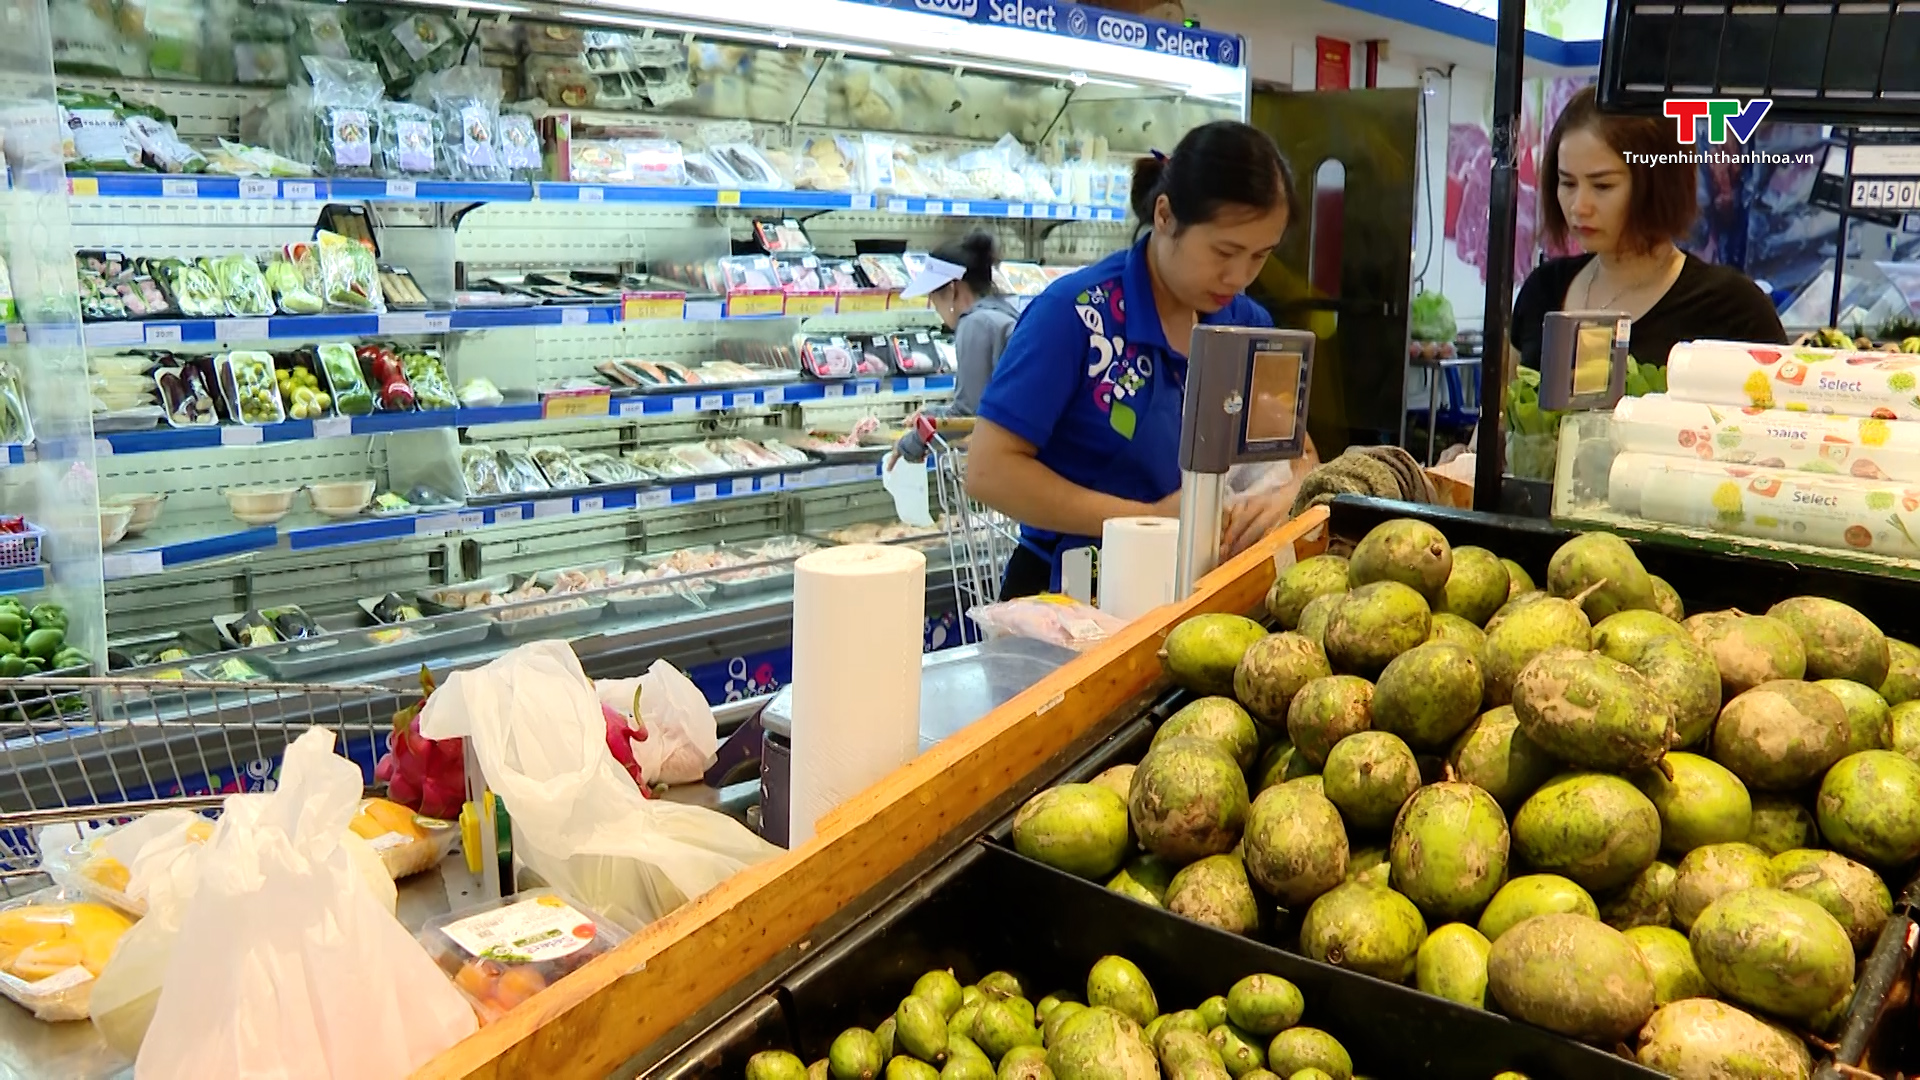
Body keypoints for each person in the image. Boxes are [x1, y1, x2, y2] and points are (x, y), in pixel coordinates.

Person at [965, 120, 1314, 601]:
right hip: (1072, 599)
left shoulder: (1245, 324)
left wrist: (1291, 492)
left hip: (1198, 593)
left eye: (1259, 256)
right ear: (1166, 216)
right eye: (1224, 251)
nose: (1239, 276)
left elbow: (1297, 449)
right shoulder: (1076, 315)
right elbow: (989, 471)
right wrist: (1147, 519)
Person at [1512, 86, 1785, 373]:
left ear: (1659, 185)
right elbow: (1507, 408)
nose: (1579, 206)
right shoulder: (1541, 291)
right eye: (1567, 183)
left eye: (1603, 185)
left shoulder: (1734, 309)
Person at [888, 231, 1020, 465]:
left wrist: (912, 443)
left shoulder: (976, 323)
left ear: (952, 290)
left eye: (934, 297)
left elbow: (967, 415)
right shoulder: (1002, 313)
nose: (935, 308)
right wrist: (933, 415)